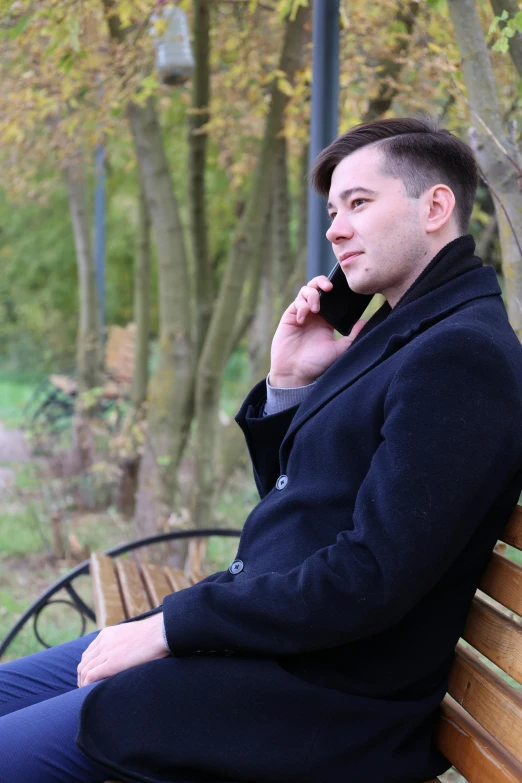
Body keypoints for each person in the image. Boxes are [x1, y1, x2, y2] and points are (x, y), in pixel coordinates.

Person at [2, 116, 522, 783]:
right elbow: (306, 503)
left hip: (317, 702)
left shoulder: (461, 355)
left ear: (436, 206)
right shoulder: (407, 331)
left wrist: (170, 628)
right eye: (333, 209)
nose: (334, 228)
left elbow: (367, 580)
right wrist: (289, 384)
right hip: (265, 644)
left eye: (359, 203)